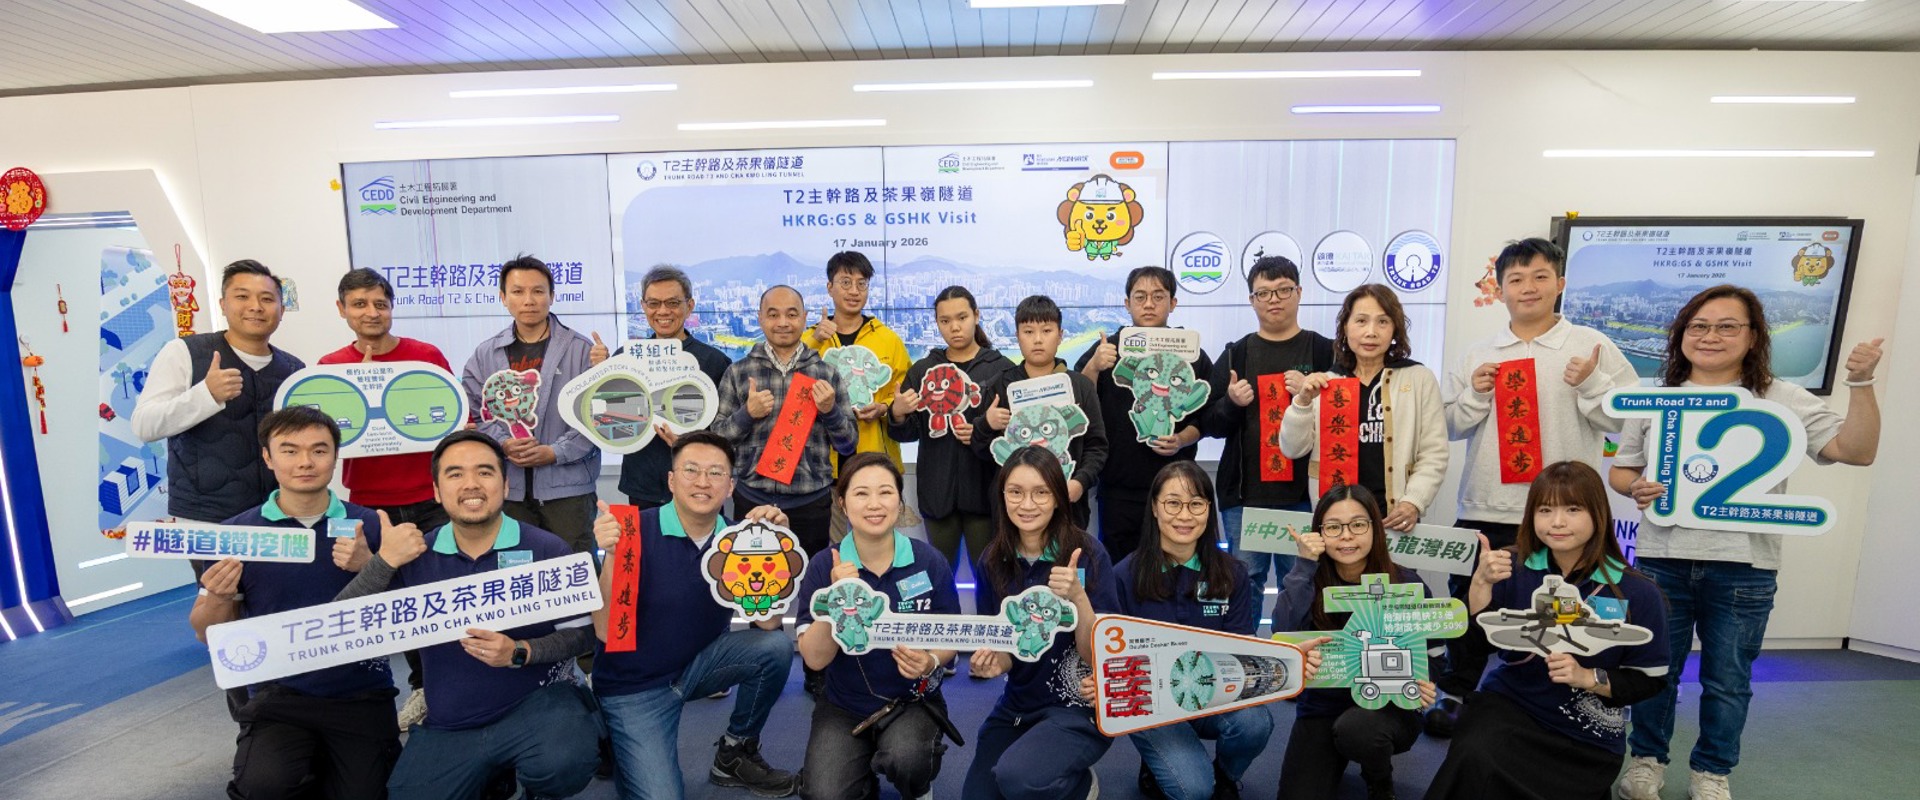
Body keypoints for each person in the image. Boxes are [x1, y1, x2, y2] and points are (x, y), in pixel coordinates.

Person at [1608, 285, 1883, 800]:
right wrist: (1635, 485)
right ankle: (1646, 760)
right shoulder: (1656, 395)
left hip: (1744, 566)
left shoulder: (1782, 398)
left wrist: (1860, 382)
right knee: (1651, 671)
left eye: (1727, 326)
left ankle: (1712, 771)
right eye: (1699, 326)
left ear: (1754, 336)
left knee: (1728, 680)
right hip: (1661, 560)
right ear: (1681, 335)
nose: (1711, 336)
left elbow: (1856, 451)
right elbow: (1621, 471)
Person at [336, 431, 601, 800]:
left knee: (562, 763)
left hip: (536, 707)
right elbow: (344, 625)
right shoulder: (416, 554)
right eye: (455, 474)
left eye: (485, 472)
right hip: (452, 721)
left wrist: (520, 651)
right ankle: (493, 778)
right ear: (436, 489)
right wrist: (383, 562)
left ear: (505, 483)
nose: (471, 484)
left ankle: (530, 784)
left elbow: (582, 635)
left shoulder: (547, 548)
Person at [1436, 238, 1638, 708]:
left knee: (1562, 606)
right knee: (1471, 597)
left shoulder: (1592, 346)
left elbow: (1630, 421)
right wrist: (1475, 396)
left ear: (1560, 284)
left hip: (1566, 514)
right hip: (1487, 503)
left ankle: (1559, 696)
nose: (1528, 288)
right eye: (1516, 279)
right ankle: (1456, 693)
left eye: (1540, 277)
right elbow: (1445, 424)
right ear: (1500, 288)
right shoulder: (1478, 353)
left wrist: (1591, 384)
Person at [1425, 461, 1672, 799]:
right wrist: (1479, 587)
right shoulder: (1510, 567)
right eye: (1545, 509)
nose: (1557, 522)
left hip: (1587, 735)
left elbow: (1651, 678)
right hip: (1513, 705)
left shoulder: (1638, 592)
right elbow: (1475, 649)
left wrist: (1590, 677)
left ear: (1598, 514)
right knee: (1475, 756)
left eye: (1572, 509)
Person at [187, 407, 397, 799]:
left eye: (319, 450)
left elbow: (405, 618)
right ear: (267, 458)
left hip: (360, 691)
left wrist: (373, 567)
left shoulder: (371, 525)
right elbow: (205, 631)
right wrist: (218, 595)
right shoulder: (237, 533)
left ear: (336, 457)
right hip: (278, 695)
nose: (305, 462)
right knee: (262, 786)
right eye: (289, 450)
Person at [590, 430, 801, 800]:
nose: (703, 482)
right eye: (691, 470)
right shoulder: (632, 529)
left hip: (698, 667)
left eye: (716, 473)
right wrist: (610, 554)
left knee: (775, 648)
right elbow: (607, 630)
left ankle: (734, 752)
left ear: (731, 485)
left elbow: (767, 625)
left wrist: (774, 553)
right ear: (671, 480)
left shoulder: (736, 540)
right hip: (634, 687)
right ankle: (615, 737)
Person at [320, 266, 455, 729]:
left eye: (379, 303)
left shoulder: (425, 356)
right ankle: (421, 686)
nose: (371, 312)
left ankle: (453, 683)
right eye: (359, 304)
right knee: (391, 600)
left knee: (442, 591)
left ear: (392, 307)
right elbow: (322, 440)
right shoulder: (330, 368)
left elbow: (453, 418)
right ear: (342, 310)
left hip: (431, 497)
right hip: (369, 503)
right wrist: (354, 395)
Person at [795, 452, 963, 800]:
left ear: (900, 501)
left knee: (908, 759)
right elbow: (813, 659)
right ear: (842, 502)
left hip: (912, 701)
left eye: (886, 492)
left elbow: (951, 637)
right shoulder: (824, 564)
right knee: (824, 794)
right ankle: (862, 774)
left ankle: (917, 786)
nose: (874, 504)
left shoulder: (928, 560)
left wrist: (930, 661)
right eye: (861, 493)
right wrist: (836, 598)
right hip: (844, 704)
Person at [960, 446, 1118, 800]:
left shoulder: (1089, 555)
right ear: (1002, 497)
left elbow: (1101, 658)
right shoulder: (992, 560)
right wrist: (993, 662)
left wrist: (1079, 598)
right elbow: (1006, 653)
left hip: (1077, 706)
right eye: (1015, 492)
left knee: (1019, 780)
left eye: (1041, 492)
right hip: (1019, 703)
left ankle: (1079, 784)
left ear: (1059, 498)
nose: (1027, 504)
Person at [1115, 461, 1270, 800]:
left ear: (1208, 511)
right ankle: (1158, 758)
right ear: (1155, 507)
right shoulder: (1125, 574)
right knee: (1194, 792)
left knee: (1255, 722)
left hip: (1215, 693)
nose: (1185, 515)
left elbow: (1242, 648)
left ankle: (1225, 774)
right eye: (1173, 503)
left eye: (1196, 504)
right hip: (1153, 703)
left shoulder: (1233, 574)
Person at [1272, 484, 1435, 800]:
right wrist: (1304, 564)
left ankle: (1379, 777)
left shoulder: (1405, 583)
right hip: (1323, 705)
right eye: (1333, 527)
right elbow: (1283, 635)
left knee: (1359, 731)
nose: (1346, 536)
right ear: (1319, 532)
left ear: (1375, 528)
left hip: (1390, 705)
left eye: (1358, 524)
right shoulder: (1308, 580)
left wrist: (1427, 682)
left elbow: (1434, 650)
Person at [133, 259, 304, 528]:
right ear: (223, 304)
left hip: (278, 514)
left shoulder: (294, 369)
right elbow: (144, 425)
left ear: (282, 310)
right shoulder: (184, 352)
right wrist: (206, 395)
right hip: (206, 518)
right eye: (242, 296)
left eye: (267, 299)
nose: (255, 306)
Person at [1203, 256, 1335, 603]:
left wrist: (1311, 393)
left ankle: (1302, 656)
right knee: (1244, 587)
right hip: (1246, 501)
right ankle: (1246, 657)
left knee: (1304, 584)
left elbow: (1344, 421)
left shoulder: (1324, 351)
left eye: (1283, 290)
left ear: (1299, 292)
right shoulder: (1237, 354)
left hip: (1305, 498)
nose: (1273, 299)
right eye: (1263, 293)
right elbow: (1209, 424)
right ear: (1251, 300)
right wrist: (1231, 402)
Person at [460, 255, 601, 553]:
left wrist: (555, 452)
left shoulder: (582, 351)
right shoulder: (485, 354)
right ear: (503, 297)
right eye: (517, 291)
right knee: (516, 571)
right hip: (508, 489)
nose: (529, 300)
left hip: (568, 489)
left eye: (538, 291)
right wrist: (502, 443)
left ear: (552, 295)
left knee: (576, 572)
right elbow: (474, 410)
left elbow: (596, 415)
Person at [1280, 284, 1447, 532]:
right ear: (1345, 327)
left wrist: (1414, 501)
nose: (1371, 332)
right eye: (1361, 321)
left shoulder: (1418, 378)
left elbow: (1434, 452)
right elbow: (1292, 449)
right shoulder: (1326, 383)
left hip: (1395, 516)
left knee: (1397, 573)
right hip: (1337, 520)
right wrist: (1302, 402)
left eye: (1382, 322)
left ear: (1395, 329)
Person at [1075, 266, 1215, 557]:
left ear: (1173, 303)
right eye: (1140, 297)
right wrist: (1093, 367)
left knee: (1175, 567)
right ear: (1127, 304)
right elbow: (1079, 403)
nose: (1148, 304)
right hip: (1118, 487)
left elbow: (1207, 417)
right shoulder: (1107, 348)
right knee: (1119, 570)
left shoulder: (1191, 352)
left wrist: (1182, 439)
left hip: (1177, 490)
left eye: (1158, 296)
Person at [714, 284, 858, 555]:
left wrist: (830, 411)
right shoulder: (738, 372)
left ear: (805, 318)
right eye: (773, 314)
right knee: (753, 586)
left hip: (811, 502)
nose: (782, 323)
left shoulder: (827, 373)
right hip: (752, 499)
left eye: (791, 315)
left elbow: (848, 444)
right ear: (760, 318)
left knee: (812, 587)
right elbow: (718, 440)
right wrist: (747, 415)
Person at [888, 286, 1019, 577]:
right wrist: (897, 413)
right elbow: (907, 433)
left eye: (961, 317)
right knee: (938, 575)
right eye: (945, 321)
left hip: (986, 493)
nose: (954, 327)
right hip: (938, 493)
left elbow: (1017, 436)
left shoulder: (1001, 370)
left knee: (990, 575)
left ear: (976, 315)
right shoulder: (923, 370)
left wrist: (985, 429)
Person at [598, 265, 734, 510]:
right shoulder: (625, 358)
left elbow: (727, 432)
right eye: (653, 304)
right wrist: (601, 373)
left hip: (700, 486)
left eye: (672, 303)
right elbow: (607, 420)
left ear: (689, 305)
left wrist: (691, 442)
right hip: (643, 485)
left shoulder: (715, 361)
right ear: (642, 306)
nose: (663, 311)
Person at [972, 295, 1108, 531]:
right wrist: (986, 424)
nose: (1037, 339)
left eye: (1046, 331)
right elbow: (982, 451)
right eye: (1028, 331)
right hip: (1014, 512)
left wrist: (1080, 482)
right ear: (1017, 337)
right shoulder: (1000, 385)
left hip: (1068, 505)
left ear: (1061, 335)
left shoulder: (1079, 386)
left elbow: (1097, 446)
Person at [808, 251, 912, 470]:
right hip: (821, 464)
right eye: (846, 283)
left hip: (875, 460)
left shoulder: (889, 339)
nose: (854, 291)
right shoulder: (810, 338)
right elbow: (786, 381)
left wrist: (883, 407)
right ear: (829, 287)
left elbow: (906, 391)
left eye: (861, 284)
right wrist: (814, 340)